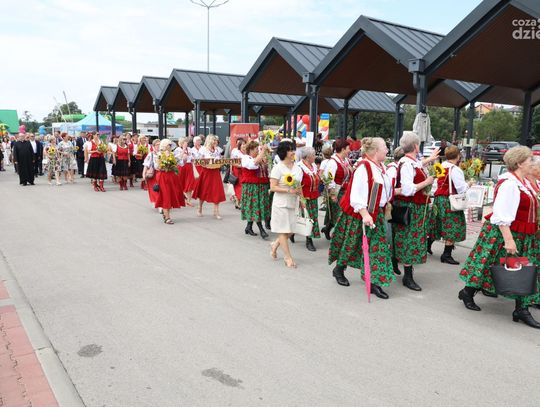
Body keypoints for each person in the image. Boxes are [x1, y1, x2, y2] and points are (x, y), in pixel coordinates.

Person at [458, 146, 540, 329]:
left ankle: (521, 308)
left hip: (522, 234)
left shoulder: (523, 182)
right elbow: (502, 214)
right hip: (504, 233)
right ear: (519, 163)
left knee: (522, 270)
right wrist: (509, 240)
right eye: (530, 160)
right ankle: (468, 292)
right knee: (488, 265)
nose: (532, 163)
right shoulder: (510, 184)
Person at [329, 137, 395, 298]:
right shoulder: (364, 168)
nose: (387, 150)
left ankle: (374, 282)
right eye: (385, 147)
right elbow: (355, 196)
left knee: (377, 248)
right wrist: (365, 214)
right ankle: (339, 268)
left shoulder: (380, 167)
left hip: (376, 213)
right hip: (359, 214)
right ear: (376, 151)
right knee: (351, 244)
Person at [393, 131, 438, 291]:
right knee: (409, 239)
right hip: (411, 207)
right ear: (416, 146)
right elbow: (407, 189)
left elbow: (418, 164)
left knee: (410, 239)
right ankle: (407, 276)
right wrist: (427, 182)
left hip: (415, 207)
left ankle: (405, 270)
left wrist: (430, 159)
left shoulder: (410, 161)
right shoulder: (406, 163)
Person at [428, 146, 470, 264]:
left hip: (439, 199)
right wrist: (469, 184)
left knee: (438, 223)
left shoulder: (440, 166)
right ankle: (446, 255)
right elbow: (461, 188)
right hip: (449, 200)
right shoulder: (455, 169)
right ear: (458, 156)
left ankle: (428, 244)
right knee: (452, 225)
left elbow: (437, 184)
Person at [269, 140, 305, 268]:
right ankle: (288, 257)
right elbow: (273, 187)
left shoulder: (297, 168)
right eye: (290, 150)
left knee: (291, 230)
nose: (293, 152)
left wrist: (302, 200)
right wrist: (288, 190)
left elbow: (299, 186)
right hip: (281, 203)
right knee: (283, 230)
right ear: (284, 152)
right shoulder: (277, 168)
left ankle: (275, 245)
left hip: (293, 202)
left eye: (293, 150)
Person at [321, 139, 352, 240]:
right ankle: (339, 238)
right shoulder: (333, 162)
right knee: (340, 215)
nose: (349, 150)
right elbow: (329, 179)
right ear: (343, 149)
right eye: (348, 148)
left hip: (345, 191)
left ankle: (328, 229)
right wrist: (333, 194)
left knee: (340, 214)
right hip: (337, 191)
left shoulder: (345, 160)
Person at [240, 140, 271, 239]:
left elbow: (266, 168)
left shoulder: (258, 158)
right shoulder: (246, 158)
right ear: (250, 150)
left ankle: (248, 227)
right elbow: (253, 165)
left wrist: (266, 154)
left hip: (260, 186)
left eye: (258, 149)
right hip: (252, 187)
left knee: (256, 207)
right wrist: (263, 151)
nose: (258, 151)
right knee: (256, 207)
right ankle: (261, 230)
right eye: (256, 149)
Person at [192, 134, 226, 219]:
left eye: (215, 140)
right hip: (206, 172)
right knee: (204, 190)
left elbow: (219, 159)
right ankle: (200, 208)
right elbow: (198, 161)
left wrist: (221, 162)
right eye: (214, 140)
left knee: (217, 191)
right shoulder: (203, 149)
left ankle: (216, 211)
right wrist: (205, 163)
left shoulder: (217, 149)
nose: (215, 142)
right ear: (210, 140)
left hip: (215, 172)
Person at [155, 139, 185, 224]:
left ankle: (166, 214)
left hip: (171, 176)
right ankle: (167, 217)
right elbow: (157, 167)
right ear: (165, 145)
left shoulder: (172, 154)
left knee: (170, 195)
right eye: (169, 145)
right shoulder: (159, 154)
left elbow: (178, 162)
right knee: (166, 195)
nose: (170, 146)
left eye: (170, 145)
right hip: (163, 176)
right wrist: (164, 165)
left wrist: (173, 165)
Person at [385, 146, 405, 275]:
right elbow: (389, 189)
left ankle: (394, 262)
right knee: (390, 235)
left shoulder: (395, 168)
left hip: (394, 204)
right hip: (390, 205)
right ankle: (392, 263)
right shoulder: (393, 169)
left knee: (394, 235)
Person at [298, 147, 321, 252]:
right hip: (305, 197)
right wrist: (302, 199)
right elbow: (298, 185)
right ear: (307, 157)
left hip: (313, 196)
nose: (315, 157)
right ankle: (309, 240)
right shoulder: (300, 167)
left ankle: (294, 234)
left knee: (313, 217)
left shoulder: (313, 166)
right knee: (307, 219)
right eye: (313, 155)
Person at [175, 137, 196, 205]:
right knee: (180, 183)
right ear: (181, 143)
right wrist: (183, 149)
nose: (186, 143)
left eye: (186, 142)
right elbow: (178, 159)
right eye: (184, 142)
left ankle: (189, 200)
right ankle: (179, 198)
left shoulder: (190, 149)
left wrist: (193, 158)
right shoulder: (177, 149)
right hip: (181, 167)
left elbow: (193, 157)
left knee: (189, 183)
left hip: (189, 166)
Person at [142, 139, 161, 205]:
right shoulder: (151, 154)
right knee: (154, 189)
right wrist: (143, 174)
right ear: (153, 146)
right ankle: (156, 202)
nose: (158, 146)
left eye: (159, 144)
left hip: (161, 173)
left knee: (161, 189)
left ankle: (159, 203)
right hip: (153, 174)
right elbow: (146, 165)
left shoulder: (163, 154)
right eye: (157, 145)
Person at [230, 138, 246, 209]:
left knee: (242, 186)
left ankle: (238, 202)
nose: (244, 145)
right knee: (238, 186)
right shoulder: (235, 151)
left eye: (245, 144)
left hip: (244, 171)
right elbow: (232, 161)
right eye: (242, 144)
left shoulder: (246, 152)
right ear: (239, 145)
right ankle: (239, 201)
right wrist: (231, 170)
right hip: (237, 170)